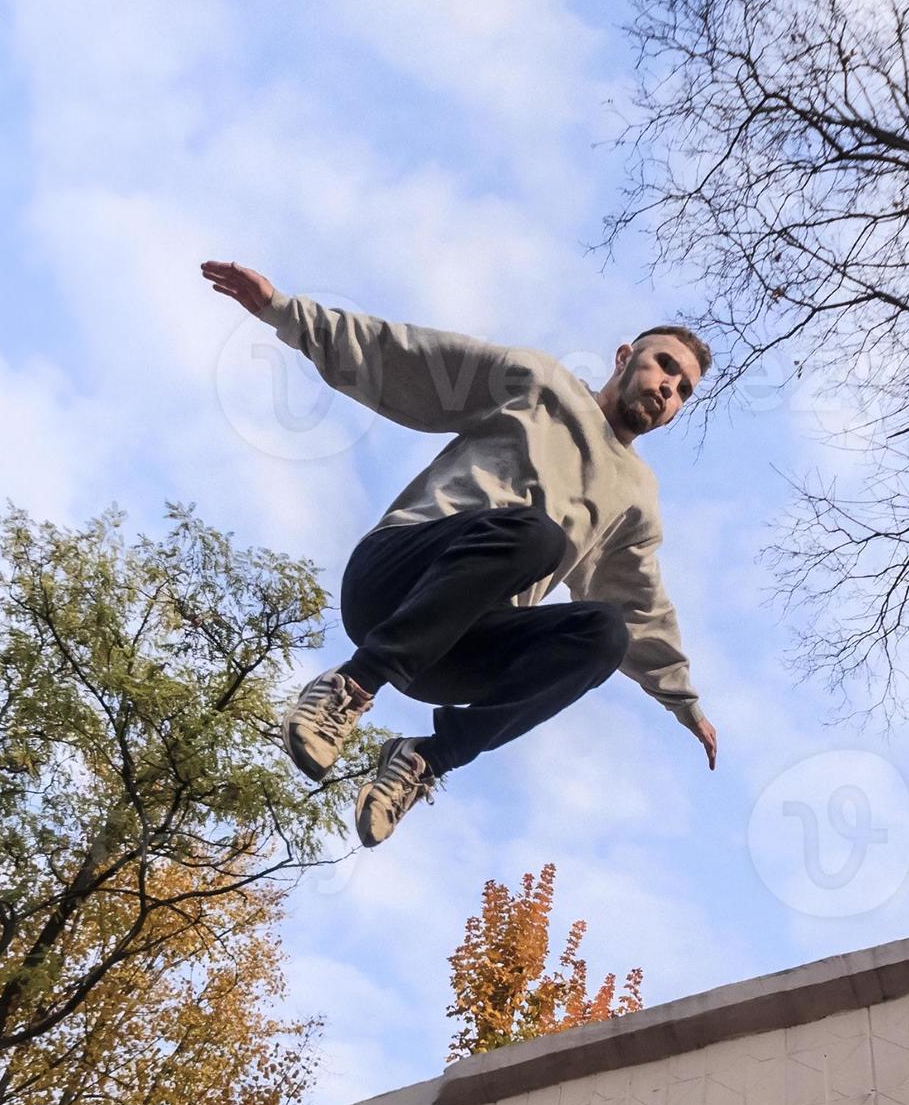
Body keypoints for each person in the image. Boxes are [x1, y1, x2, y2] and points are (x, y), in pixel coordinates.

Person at [202, 261, 720, 846]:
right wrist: (285, 313)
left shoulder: (636, 499)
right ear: (626, 357)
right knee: (540, 536)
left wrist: (685, 702)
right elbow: (413, 359)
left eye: (682, 392)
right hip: (394, 578)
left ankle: (423, 760)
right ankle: (349, 688)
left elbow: (642, 604)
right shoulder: (539, 381)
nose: (667, 389)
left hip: (450, 651)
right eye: (664, 367)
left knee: (605, 634)